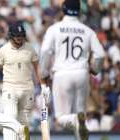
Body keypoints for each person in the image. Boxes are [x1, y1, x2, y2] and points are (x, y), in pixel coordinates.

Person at [39, 0, 105, 140]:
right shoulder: (88, 31)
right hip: (82, 73)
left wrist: (43, 73)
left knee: (62, 118)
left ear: (63, 10)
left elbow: (45, 51)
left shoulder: (55, 28)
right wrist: (94, 69)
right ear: (79, 11)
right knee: (81, 116)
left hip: (62, 74)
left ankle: (75, 120)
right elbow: (100, 54)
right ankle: (78, 120)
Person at [0, 21, 39, 140]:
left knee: (24, 121)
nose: (19, 38)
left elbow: (37, 68)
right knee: (10, 118)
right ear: (11, 35)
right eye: (16, 35)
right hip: (10, 88)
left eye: (21, 35)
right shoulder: (3, 50)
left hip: (27, 89)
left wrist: (44, 86)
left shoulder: (30, 49)